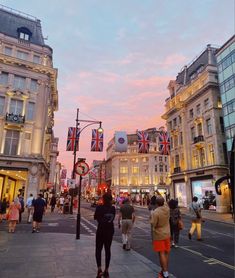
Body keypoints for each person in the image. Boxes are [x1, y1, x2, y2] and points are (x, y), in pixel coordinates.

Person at [94, 193, 116, 278]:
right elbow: (112, 218)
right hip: (109, 231)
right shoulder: (113, 208)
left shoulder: (99, 207)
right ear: (110, 200)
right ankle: (106, 270)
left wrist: (101, 218)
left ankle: (99, 269)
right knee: (108, 250)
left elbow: (95, 217)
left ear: (103, 199)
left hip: (101, 231)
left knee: (98, 249)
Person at [150, 196, 171, 278]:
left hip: (159, 234)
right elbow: (165, 202)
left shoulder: (156, 212)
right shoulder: (167, 208)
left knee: (161, 253)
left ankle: (165, 273)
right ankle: (164, 271)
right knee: (166, 253)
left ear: (156, 203)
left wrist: (150, 219)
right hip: (167, 233)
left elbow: (153, 224)